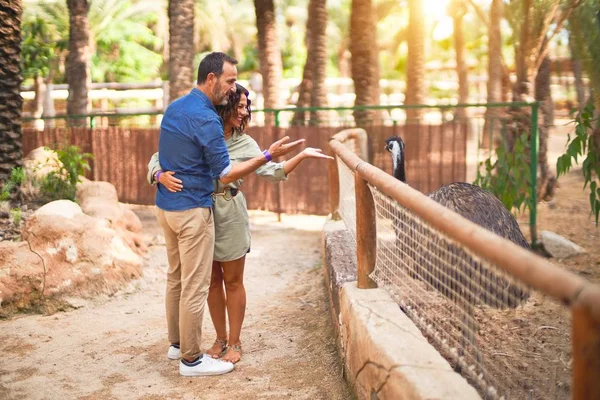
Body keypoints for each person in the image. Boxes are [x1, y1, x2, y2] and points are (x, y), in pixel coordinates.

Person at [149, 82, 332, 364]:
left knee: (233, 282)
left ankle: (235, 342)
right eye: (241, 104)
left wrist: (301, 157)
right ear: (225, 104)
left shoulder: (245, 143)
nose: (245, 110)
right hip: (199, 211)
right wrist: (159, 174)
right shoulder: (201, 129)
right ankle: (219, 339)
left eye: (248, 106)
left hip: (230, 213)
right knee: (210, 282)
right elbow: (158, 157)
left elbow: (273, 171)